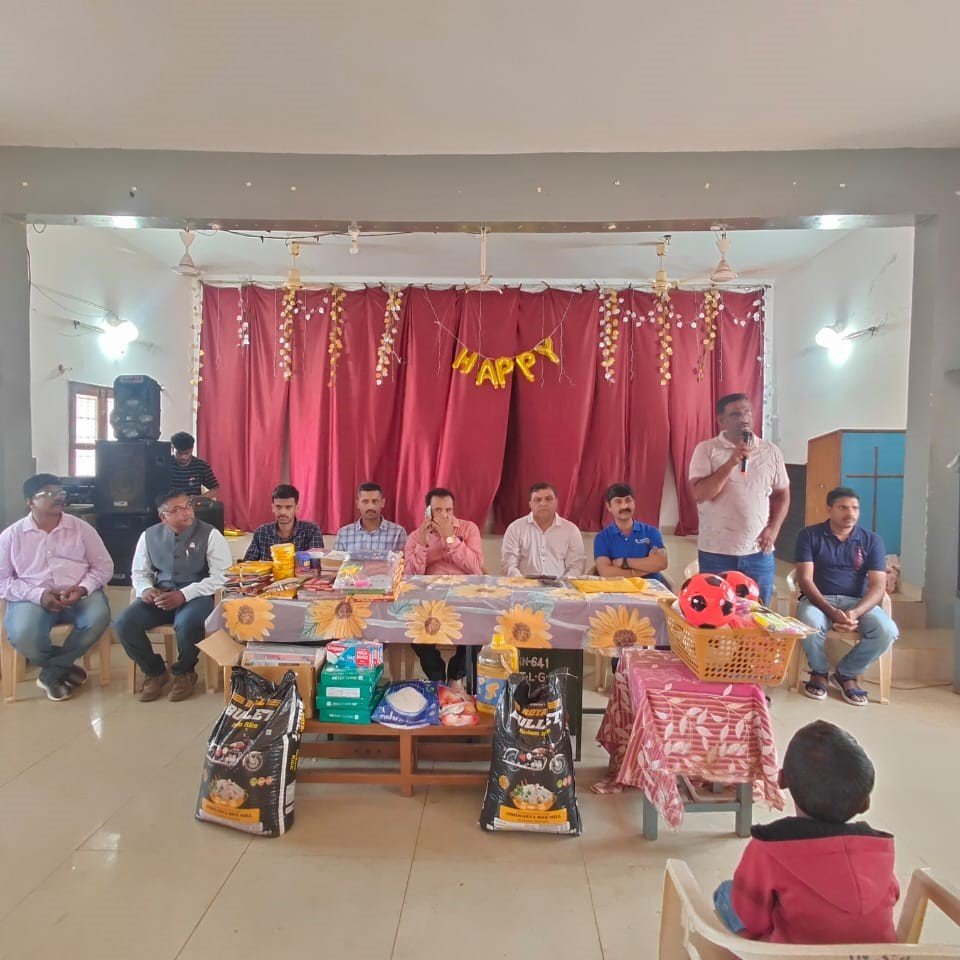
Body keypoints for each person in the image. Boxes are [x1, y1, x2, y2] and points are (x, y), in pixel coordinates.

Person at [713, 720, 898, 945]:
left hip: (790, 954)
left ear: (782, 780)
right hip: (879, 955)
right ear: (864, 803)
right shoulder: (879, 849)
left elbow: (752, 920)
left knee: (726, 893)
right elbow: (892, 895)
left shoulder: (769, 849)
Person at [0, 473, 114, 701]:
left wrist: (82, 588)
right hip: (32, 595)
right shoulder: (11, 536)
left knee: (98, 617)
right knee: (22, 633)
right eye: (49, 494)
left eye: (60, 492)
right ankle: (63, 667)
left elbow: (104, 567)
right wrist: (38, 595)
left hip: (79, 592)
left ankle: (52, 673)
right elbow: (2, 580)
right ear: (30, 502)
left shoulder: (81, 528)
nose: (58, 497)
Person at [115, 490, 231, 702]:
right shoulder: (149, 536)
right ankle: (155, 671)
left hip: (196, 596)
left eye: (188, 506)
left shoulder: (210, 534)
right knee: (124, 623)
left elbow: (222, 577)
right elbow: (139, 572)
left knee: (188, 624)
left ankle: (184, 672)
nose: (186, 512)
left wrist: (184, 594)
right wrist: (146, 589)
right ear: (163, 517)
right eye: (177, 510)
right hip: (161, 595)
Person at [794, 486, 898, 706]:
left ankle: (846, 673)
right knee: (809, 624)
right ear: (829, 509)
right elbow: (805, 580)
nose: (850, 514)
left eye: (855, 508)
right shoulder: (809, 535)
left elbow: (878, 585)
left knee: (887, 631)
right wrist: (831, 611)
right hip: (818, 600)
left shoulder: (871, 540)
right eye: (843, 508)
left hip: (857, 603)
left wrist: (855, 612)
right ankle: (819, 672)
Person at [689, 392, 789, 606]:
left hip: (758, 552)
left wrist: (774, 529)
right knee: (716, 613)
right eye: (735, 414)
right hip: (716, 552)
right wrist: (732, 461)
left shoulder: (771, 452)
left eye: (747, 412)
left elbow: (782, 494)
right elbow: (701, 494)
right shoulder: (706, 450)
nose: (744, 418)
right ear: (721, 420)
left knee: (757, 614)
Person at [403, 487, 483, 682]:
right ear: (428, 512)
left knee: (480, 624)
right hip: (430, 597)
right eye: (438, 510)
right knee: (410, 621)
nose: (444, 515)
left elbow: (476, 567)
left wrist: (450, 539)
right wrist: (422, 543)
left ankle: (456, 675)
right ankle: (436, 675)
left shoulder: (468, 529)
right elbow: (410, 576)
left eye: (448, 510)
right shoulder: (415, 536)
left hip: (464, 594)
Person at [501, 482, 584, 578]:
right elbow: (509, 565)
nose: (543, 503)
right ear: (530, 504)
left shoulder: (570, 530)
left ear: (556, 502)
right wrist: (522, 582)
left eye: (548, 499)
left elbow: (576, 566)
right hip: (523, 584)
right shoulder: (515, 528)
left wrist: (562, 582)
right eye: (537, 500)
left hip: (560, 585)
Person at [593, 483, 668, 581]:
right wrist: (641, 570)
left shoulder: (651, 532)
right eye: (618, 502)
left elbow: (661, 563)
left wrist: (624, 562)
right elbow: (606, 572)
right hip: (617, 588)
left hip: (650, 588)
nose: (624, 506)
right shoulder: (602, 538)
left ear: (634, 503)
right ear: (609, 506)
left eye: (628, 500)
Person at [243, 484, 325, 561]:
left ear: (297, 508)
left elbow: (317, 564)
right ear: (273, 508)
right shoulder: (261, 532)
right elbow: (246, 565)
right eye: (278, 507)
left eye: (288, 507)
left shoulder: (311, 530)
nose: (283, 512)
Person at [334, 482, 407, 554]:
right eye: (365, 501)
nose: (370, 506)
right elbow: (335, 561)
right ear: (358, 504)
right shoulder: (344, 534)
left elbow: (402, 560)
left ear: (382, 503)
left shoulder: (398, 533)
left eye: (375, 501)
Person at [169, 431, 220, 499]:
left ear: (192, 449)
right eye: (179, 453)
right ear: (172, 448)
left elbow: (216, 489)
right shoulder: (165, 464)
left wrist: (199, 498)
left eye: (187, 453)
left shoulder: (201, 466)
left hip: (192, 504)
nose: (183, 457)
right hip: (169, 504)